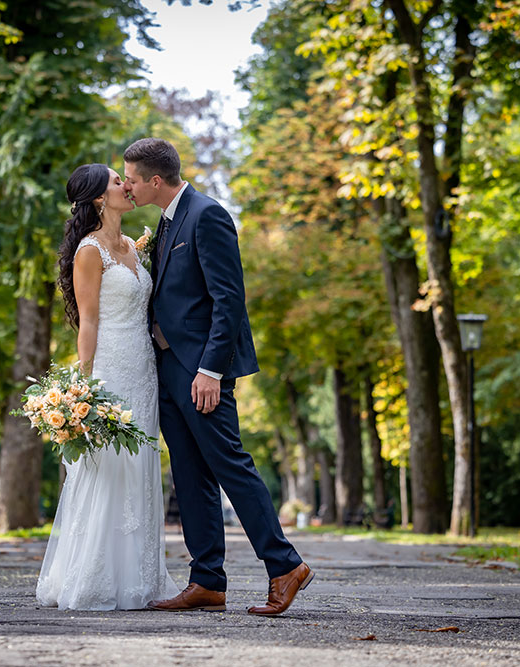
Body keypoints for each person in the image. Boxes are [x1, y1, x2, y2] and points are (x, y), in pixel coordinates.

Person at [122, 138, 313, 616]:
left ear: (155, 181)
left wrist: (211, 370)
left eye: (130, 177)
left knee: (230, 464)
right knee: (189, 476)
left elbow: (229, 300)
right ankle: (207, 580)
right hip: (166, 369)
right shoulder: (164, 225)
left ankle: (285, 564)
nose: (125, 185)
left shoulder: (207, 215)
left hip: (201, 370)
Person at [35, 163, 178, 611]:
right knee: (107, 468)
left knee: (140, 465)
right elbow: (88, 320)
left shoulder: (133, 247)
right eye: (118, 181)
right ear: (100, 197)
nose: (127, 185)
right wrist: (84, 385)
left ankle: (141, 576)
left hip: (144, 367)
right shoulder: (89, 251)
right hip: (111, 370)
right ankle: (95, 578)